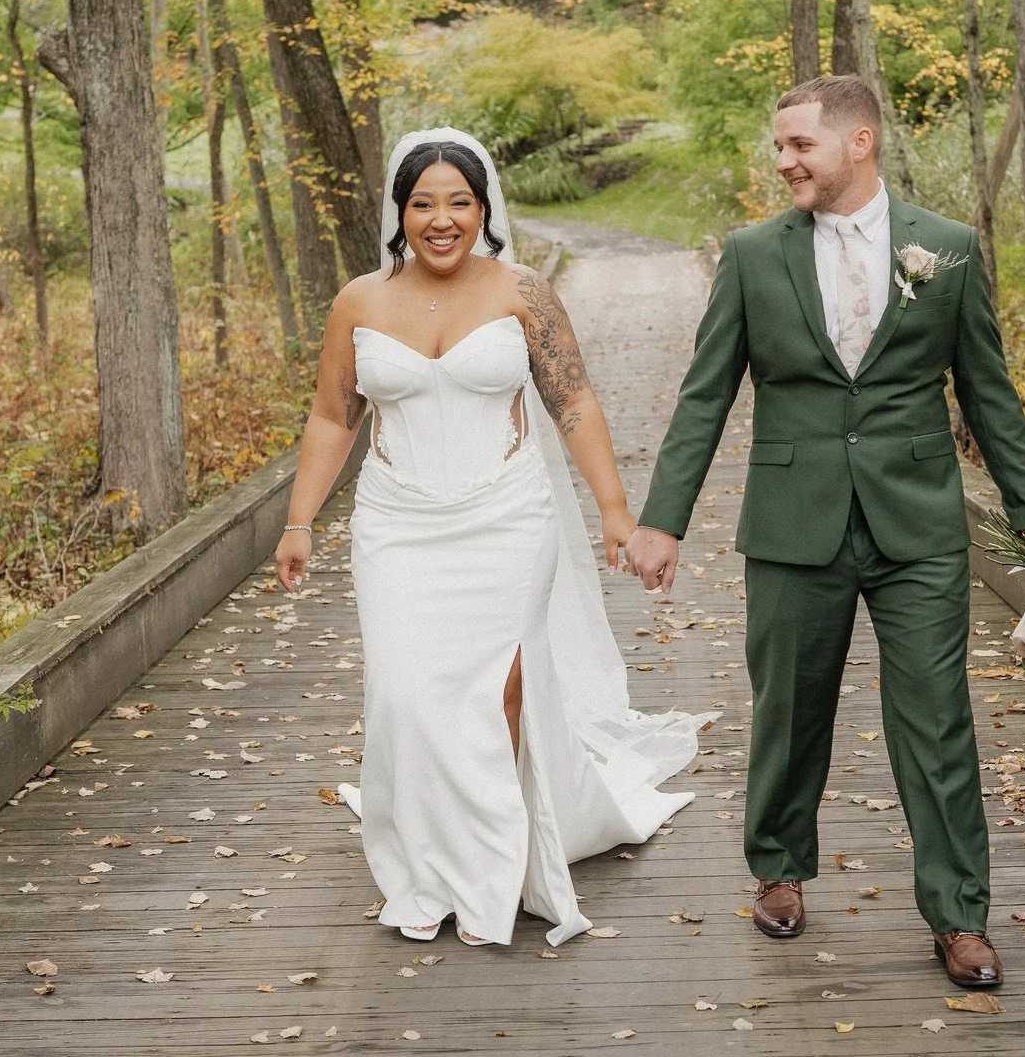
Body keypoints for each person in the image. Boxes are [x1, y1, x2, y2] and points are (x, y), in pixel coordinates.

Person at [624, 75, 1025, 990]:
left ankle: (959, 915)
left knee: (938, 721)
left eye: (798, 146)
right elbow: (706, 393)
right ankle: (779, 866)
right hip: (795, 521)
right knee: (790, 707)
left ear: (857, 142)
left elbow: (989, 397)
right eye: (778, 146)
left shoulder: (946, 250)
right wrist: (662, 519)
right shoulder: (752, 255)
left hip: (918, 527)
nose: (782, 160)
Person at [274, 128, 705, 947]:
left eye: (459, 203)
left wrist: (614, 507)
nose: (442, 219)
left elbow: (572, 400)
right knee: (403, 694)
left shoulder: (523, 292)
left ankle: (484, 873)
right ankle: (420, 868)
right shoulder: (359, 301)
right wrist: (299, 520)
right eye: (424, 203)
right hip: (398, 524)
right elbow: (334, 414)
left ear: (483, 208)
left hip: (508, 515)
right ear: (400, 213)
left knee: (498, 692)